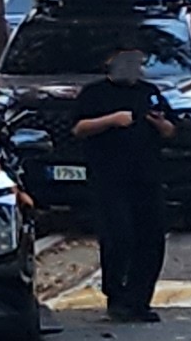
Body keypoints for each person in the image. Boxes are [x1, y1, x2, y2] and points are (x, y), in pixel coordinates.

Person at [63, 43, 179, 323]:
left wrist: (159, 123)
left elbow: (171, 130)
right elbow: (79, 128)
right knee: (119, 235)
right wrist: (112, 121)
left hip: (146, 176)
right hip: (109, 177)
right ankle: (117, 295)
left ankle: (140, 300)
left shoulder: (149, 93)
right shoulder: (95, 94)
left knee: (150, 238)